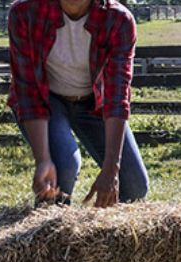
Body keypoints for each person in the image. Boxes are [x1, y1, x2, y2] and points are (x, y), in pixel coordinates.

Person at [8, 0, 149, 207]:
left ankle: (107, 235)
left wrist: (112, 169)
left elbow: (117, 96)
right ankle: (50, 229)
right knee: (64, 165)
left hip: (94, 103)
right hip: (48, 100)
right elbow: (28, 90)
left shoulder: (119, 20)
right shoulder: (25, 13)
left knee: (135, 186)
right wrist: (43, 159)